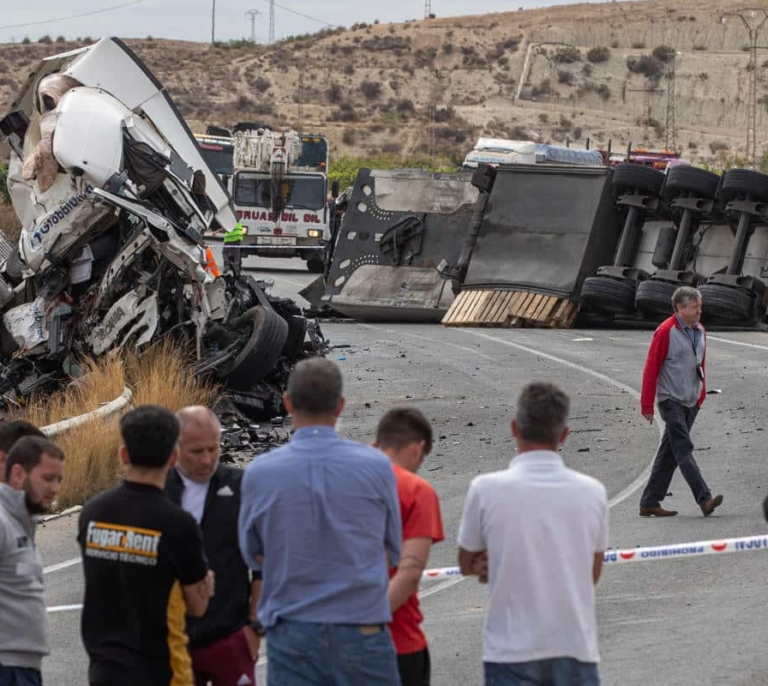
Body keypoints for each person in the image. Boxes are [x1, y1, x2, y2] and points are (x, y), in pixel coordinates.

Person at [238, 358, 402, 686]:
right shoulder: (377, 467)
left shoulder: (260, 473)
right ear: (340, 406)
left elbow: (252, 553)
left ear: (287, 403)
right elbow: (392, 548)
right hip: (361, 628)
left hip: (293, 632)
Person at [458, 382, 608, 686]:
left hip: (510, 652)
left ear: (514, 428)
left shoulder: (485, 490)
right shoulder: (592, 492)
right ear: (563, 435)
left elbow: (465, 562)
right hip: (574, 648)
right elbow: (591, 573)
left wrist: (492, 564)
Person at [78, 405, 215, 686]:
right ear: (174, 457)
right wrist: (207, 583)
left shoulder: (92, 513)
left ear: (124, 455)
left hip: (104, 670)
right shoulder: (178, 524)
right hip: (161, 670)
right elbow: (197, 607)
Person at [166, 406, 259, 686]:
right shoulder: (158, 492)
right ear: (176, 449)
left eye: (213, 449)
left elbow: (263, 565)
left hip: (230, 637)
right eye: (196, 452)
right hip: (173, 642)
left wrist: (255, 629)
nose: (207, 460)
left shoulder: (242, 487)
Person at [638, 286, 723, 518]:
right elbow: (651, 369)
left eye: (700, 306)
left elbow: (700, 364)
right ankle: (704, 499)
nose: (700, 311)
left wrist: (701, 395)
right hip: (671, 400)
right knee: (683, 448)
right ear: (680, 308)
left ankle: (649, 501)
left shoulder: (700, 330)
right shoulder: (666, 331)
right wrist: (647, 405)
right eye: (695, 307)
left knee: (670, 452)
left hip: (691, 400)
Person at [375, 407, 444, 686]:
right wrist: (368, 619)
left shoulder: (341, 479)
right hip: (399, 640)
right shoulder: (416, 490)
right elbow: (411, 570)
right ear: (417, 449)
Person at [0, 436, 64, 686]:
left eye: (59, 480)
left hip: (22, 666)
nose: (55, 488)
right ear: (18, 474)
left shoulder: (22, 521)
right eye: (47, 479)